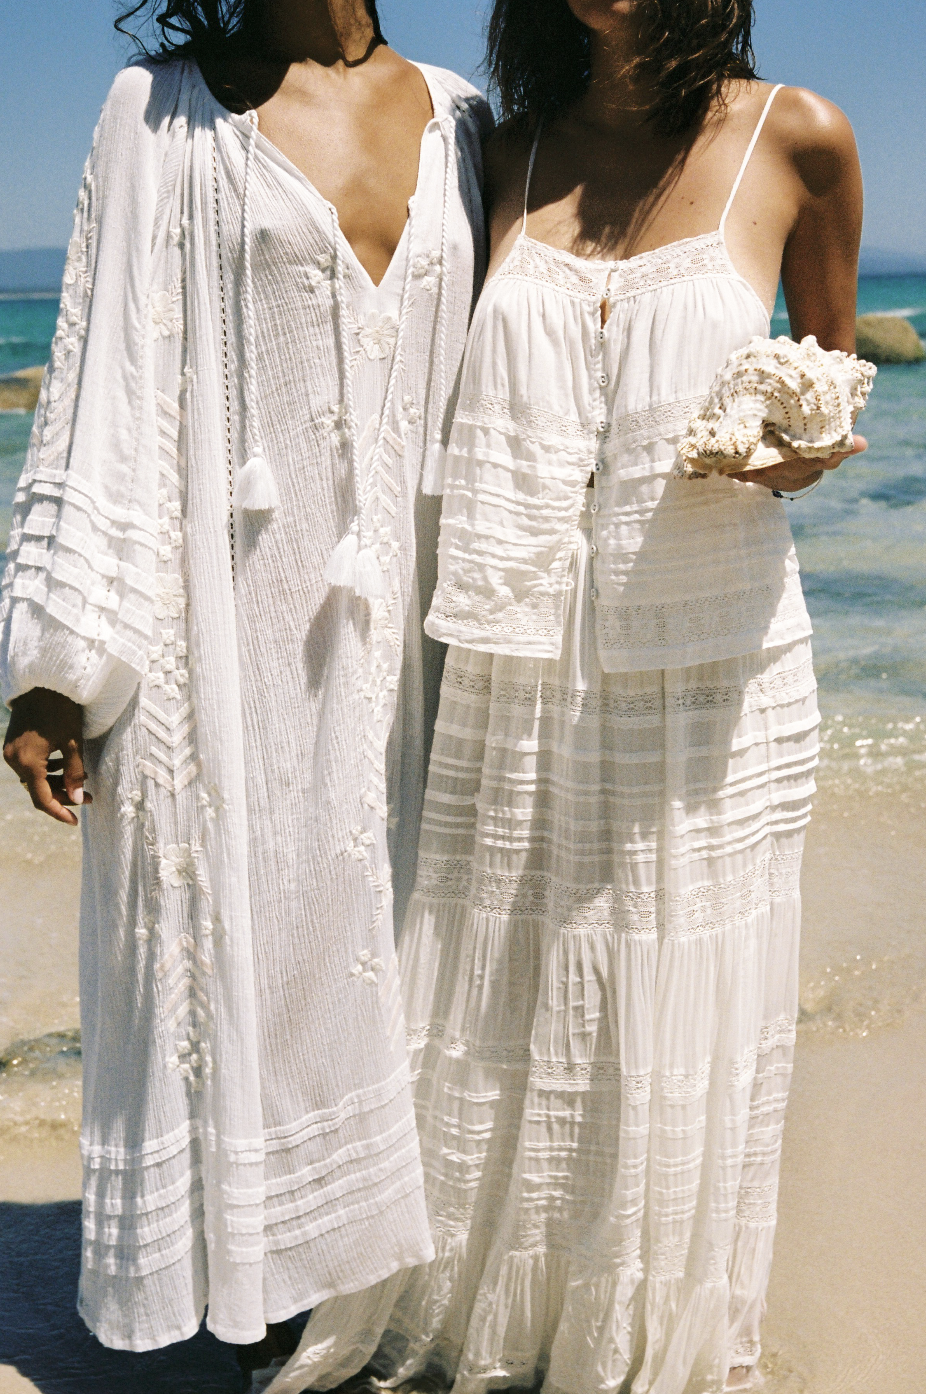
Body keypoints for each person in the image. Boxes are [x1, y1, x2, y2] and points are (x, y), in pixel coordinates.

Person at [260, 1, 866, 1392]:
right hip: (512, 661)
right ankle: (476, 1315)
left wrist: (796, 444)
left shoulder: (799, 137)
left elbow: (832, 378)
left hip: (711, 662)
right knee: (498, 989)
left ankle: (634, 1336)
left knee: (672, 986)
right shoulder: (498, 153)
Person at [0, 0, 491, 1375]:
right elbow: (94, 373)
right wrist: (54, 664)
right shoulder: (158, 113)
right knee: (242, 924)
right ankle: (264, 1294)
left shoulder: (464, 118)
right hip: (222, 628)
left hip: (414, 627)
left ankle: (375, 1282)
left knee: (385, 937)